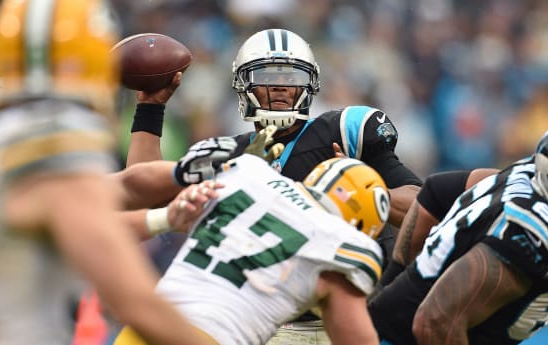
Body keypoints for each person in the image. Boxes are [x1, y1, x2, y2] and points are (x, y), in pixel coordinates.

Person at [126, 28, 422, 343]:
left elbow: (420, 205)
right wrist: (150, 109)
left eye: (293, 77)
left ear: (310, 84)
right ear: (244, 84)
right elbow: (145, 192)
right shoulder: (228, 154)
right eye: (267, 76)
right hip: (263, 321)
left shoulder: (343, 132)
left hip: (354, 311)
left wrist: (365, 191)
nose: (281, 86)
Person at [0, 1, 215, 344]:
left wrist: (182, 173)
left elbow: (121, 188)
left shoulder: (1, 144)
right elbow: (137, 303)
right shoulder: (45, 146)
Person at [113, 141, 391, 345]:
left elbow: (123, 196)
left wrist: (166, 218)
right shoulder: (344, 244)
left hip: (143, 328)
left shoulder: (247, 170)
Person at [368, 116, 548, 345]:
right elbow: (435, 322)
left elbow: (435, 192)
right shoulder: (532, 237)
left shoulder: (527, 176)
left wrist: (391, 284)